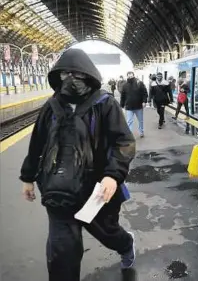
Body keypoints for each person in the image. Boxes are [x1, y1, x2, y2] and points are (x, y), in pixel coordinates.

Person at [20, 48, 136, 281]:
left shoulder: (105, 104)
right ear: (57, 77)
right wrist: (27, 178)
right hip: (58, 191)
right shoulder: (51, 107)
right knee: (62, 251)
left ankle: (126, 245)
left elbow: (124, 142)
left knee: (108, 233)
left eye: (76, 74)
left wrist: (112, 175)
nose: (71, 80)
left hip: (96, 191)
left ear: (88, 75)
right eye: (65, 74)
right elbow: (37, 144)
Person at [120, 71, 148, 138]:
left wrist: (144, 101)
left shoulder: (139, 83)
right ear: (127, 76)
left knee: (140, 121)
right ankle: (130, 134)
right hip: (129, 107)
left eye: (131, 75)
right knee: (129, 121)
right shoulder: (125, 85)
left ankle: (141, 132)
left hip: (138, 106)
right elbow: (122, 96)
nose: (130, 77)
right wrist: (122, 106)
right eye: (129, 76)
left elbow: (145, 93)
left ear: (133, 75)